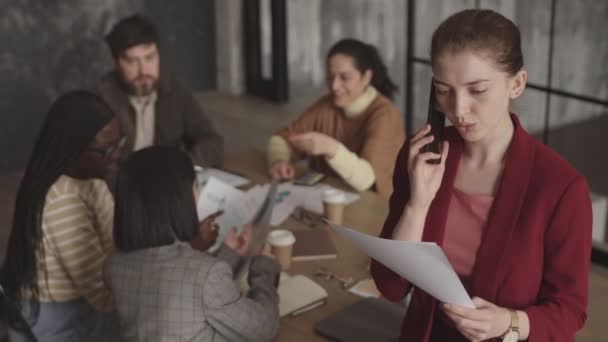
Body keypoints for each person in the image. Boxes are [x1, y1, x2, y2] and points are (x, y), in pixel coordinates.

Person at [371, 9, 592, 342]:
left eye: (477, 90)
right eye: (444, 90)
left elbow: (569, 311)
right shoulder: (423, 157)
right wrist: (418, 203)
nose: (458, 110)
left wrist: (509, 322)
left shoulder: (561, 189)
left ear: (516, 84)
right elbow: (390, 285)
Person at [104, 146, 280, 342]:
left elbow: (187, 290)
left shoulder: (114, 267)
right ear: (179, 201)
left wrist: (229, 254)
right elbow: (263, 328)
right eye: (196, 187)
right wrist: (264, 272)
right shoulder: (205, 276)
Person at [1, 91, 124, 341]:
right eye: (106, 150)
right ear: (73, 151)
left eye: (118, 144)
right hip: (57, 315)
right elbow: (104, 297)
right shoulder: (61, 202)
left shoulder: (92, 180)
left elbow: (115, 245)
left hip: (83, 297)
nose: (116, 156)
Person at [267, 38, 405, 198]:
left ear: (366, 77)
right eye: (330, 77)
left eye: (344, 78)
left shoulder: (385, 115)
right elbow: (281, 139)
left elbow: (367, 179)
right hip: (327, 199)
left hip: (373, 209)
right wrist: (279, 161)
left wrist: (330, 148)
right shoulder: (327, 105)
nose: (334, 86)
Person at [97, 14, 223, 167]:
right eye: (132, 61)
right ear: (116, 63)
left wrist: (182, 166)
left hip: (168, 179)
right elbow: (95, 160)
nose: (143, 70)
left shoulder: (175, 88)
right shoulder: (102, 97)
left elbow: (211, 141)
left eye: (149, 57)